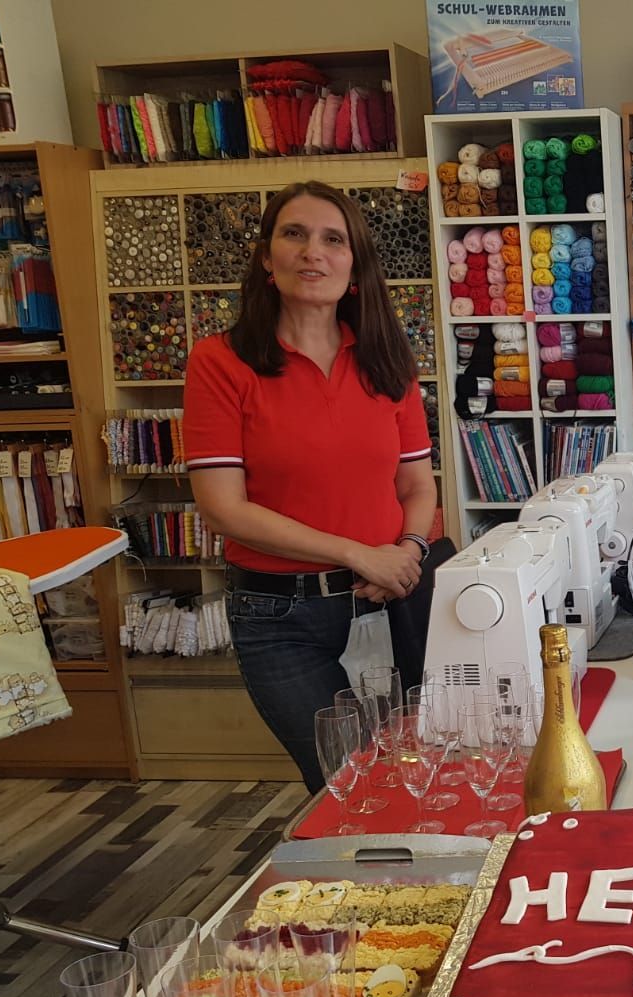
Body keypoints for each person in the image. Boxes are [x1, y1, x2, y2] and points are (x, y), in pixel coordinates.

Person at [185, 181, 437, 793]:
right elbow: (223, 508)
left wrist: (408, 551)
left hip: (390, 601)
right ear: (266, 258)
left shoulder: (387, 360)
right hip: (282, 617)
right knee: (347, 788)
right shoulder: (220, 363)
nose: (312, 252)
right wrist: (359, 554)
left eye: (333, 239)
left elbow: (417, 485)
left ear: (354, 266)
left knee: (420, 773)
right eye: (294, 234)